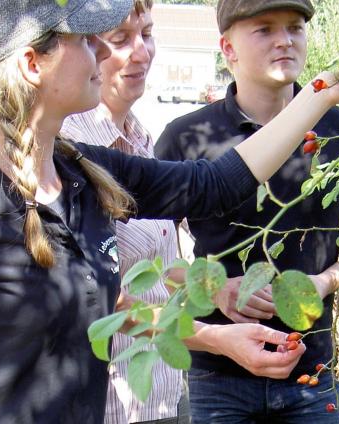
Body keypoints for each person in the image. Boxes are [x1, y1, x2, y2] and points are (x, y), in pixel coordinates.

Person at [0, 0, 339, 423]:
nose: (100, 55)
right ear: (31, 64)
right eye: (85, 41)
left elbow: (218, 184)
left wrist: (323, 93)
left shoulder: (83, 174)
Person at [155, 0, 339, 423]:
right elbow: (154, 260)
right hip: (218, 380)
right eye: (264, 29)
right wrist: (215, 289)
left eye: (294, 27)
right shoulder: (186, 137)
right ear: (227, 49)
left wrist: (322, 282)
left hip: (310, 377)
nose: (284, 40)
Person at [59, 1, 190, 423]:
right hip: (112, 405)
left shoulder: (139, 137)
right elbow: (97, 292)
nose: (141, 53)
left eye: (147, 34)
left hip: (163, 393)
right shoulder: (69, 150)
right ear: (86, 48)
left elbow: (153, 265)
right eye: (120, 40)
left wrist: (220, 289)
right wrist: (214, 338)